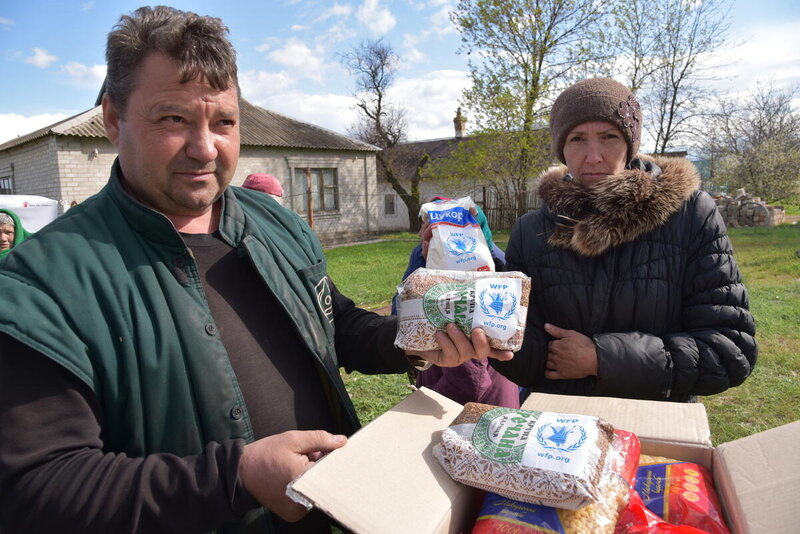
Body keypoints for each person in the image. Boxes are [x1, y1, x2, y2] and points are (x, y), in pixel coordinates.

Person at [0, 7, 511, 534]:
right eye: (172, 119)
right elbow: (33, 488)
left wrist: (413, 338)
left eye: (223, 122)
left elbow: (336, 326)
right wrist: (235, 479)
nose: (205, 148)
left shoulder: (274, 225)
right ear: (112, 119)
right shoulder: (44, 284)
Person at [490, 77, 757, 402]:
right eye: (577, 139)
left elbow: (729, 350)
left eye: (609, 137)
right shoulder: (531, 231)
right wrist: (491, 335)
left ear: (630, 144)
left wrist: (602, 359)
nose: (593, 156)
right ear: (561, 148)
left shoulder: (690, 216)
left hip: (657, 426)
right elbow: (523, 355)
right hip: (558, 430)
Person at [393, 197, 520, 408]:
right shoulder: (422, 259)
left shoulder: (479, 278)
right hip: (441, 377)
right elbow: (400, 318)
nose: (424, 233)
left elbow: (470, 379)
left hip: (471, 408)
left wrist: (425, 403)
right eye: (425, 225)